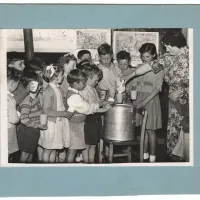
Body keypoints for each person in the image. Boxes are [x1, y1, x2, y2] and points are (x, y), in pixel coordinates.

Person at [121, 32, 189, 162]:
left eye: (169, 46)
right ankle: (176, 159)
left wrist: (181, 90)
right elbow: (148, 67)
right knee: (175, 131)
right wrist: (129, 76)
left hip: (187, 101)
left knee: (186, 131)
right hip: (174, 101)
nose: (166, 49)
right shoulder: (168, 58)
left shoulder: (191, 57)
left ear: (178, 44)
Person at [65, 69, 109, 163]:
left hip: (78, 125)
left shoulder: (75, 93)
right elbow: (87, 108)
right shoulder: (74, 96)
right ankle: (68, 170)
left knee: (73, 150)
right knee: (72, 151)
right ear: (76, 84)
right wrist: (103, 106)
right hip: (74, 126)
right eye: (83, 83)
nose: (85, 85)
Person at [38, 64, 74, 163]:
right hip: (51, 124)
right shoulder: (49, 90)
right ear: (56, 76)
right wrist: (63, 113)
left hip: (58, 122)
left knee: (54, 148)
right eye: (62, 75)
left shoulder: (57, 88)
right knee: (48, 149)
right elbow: (46, 111)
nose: (63, 77)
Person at [135, 43, 164, 162]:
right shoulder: (140, 67)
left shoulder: (159, 67)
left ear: (154, 55)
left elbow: (158, 88)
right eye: (143, 57)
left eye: (147, 57)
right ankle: (144, 154)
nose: (144, 59)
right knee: (144, 129)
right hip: (140, 98)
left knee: (151, 130)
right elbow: (136, 84)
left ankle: (153, 157)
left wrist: (145, 101)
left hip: (151, 100)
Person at [77, 62, 111, 163]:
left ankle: (91, 164)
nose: (97, 83)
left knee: (93, 145)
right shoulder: (83, 90)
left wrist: (106, 101)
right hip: (87, 120)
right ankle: (86, 165)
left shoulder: (92, 89)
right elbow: (89, 107)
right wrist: (104, 108)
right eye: (96, 80)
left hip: (95, 120)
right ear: (87, 78)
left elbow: (96, 102)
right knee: (87, 146)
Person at [17, 72, 47, 163]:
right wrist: (37, 125)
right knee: (25, 154)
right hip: (27, 130)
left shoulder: (35, 98)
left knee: (30, 153)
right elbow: (24, 119)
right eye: (39, 85)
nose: (41, 87)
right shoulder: (27, 100)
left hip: (33, 130)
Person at [56, 53, 77, 162]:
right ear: (64, 64)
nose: (74, 68)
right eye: (72, 65)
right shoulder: (60, 79)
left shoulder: (69, 78)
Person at [7, 67, 22, 162]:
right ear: (12, 84)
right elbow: (13, 120)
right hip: (7, 130)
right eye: (18, 83)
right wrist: (19, 115)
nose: (18, 85)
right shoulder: (10, 99)